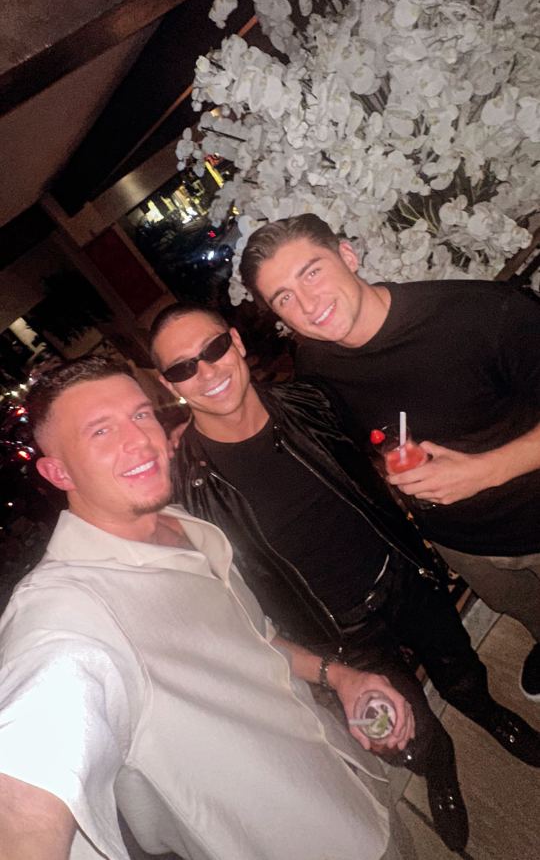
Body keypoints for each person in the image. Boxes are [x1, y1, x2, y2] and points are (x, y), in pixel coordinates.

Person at [150, 304, 540, 854]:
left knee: (459, 667)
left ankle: (489, 713)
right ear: (170, 384)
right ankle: (441, 767)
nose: (207, 371)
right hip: (335, 631)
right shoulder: (185, 488)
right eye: (183, 367)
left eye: (213, 349)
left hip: (400, 575)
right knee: (407, 723)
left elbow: (384, 435)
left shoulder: (312, 400)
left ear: (236, 342)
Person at [0, 355, 417, 860]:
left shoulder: (183, 524)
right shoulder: (70, 610)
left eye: (140, 414)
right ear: (57, 471)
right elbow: (27, 787)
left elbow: (253, 639)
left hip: (349, 777)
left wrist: (338, 677)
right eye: (100, 431)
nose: (138, 440)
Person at [240, 213, 540, 704]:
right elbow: (367, 442)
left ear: (348, 256)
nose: (308, 304)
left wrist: (483, 471)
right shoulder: (317, 365)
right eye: (284, 298)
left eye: (312, 272)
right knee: (523, 606)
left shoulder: (482, 314)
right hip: (462, 545)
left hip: (533, 510)